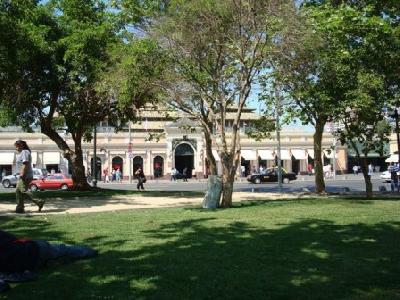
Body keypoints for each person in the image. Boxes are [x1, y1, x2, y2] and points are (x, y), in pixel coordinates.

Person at [0, 230, 97, 292]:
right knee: (63, 250)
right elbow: (13, 239)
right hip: (34, 249)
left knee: (60, 250)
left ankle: (87, 252)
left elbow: (3, 287)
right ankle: (88, 251)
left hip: (33, 256)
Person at [14, 140, 45, 214]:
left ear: (21, 146)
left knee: (23, 190)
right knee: (18, 191)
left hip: (25, 175)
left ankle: (39, 201)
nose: (16, 149)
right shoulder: (23, 152)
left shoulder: (25, 152)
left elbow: (25, 163)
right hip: (23, 175)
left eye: (16, 147)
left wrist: (22, 174)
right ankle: (20, 208)